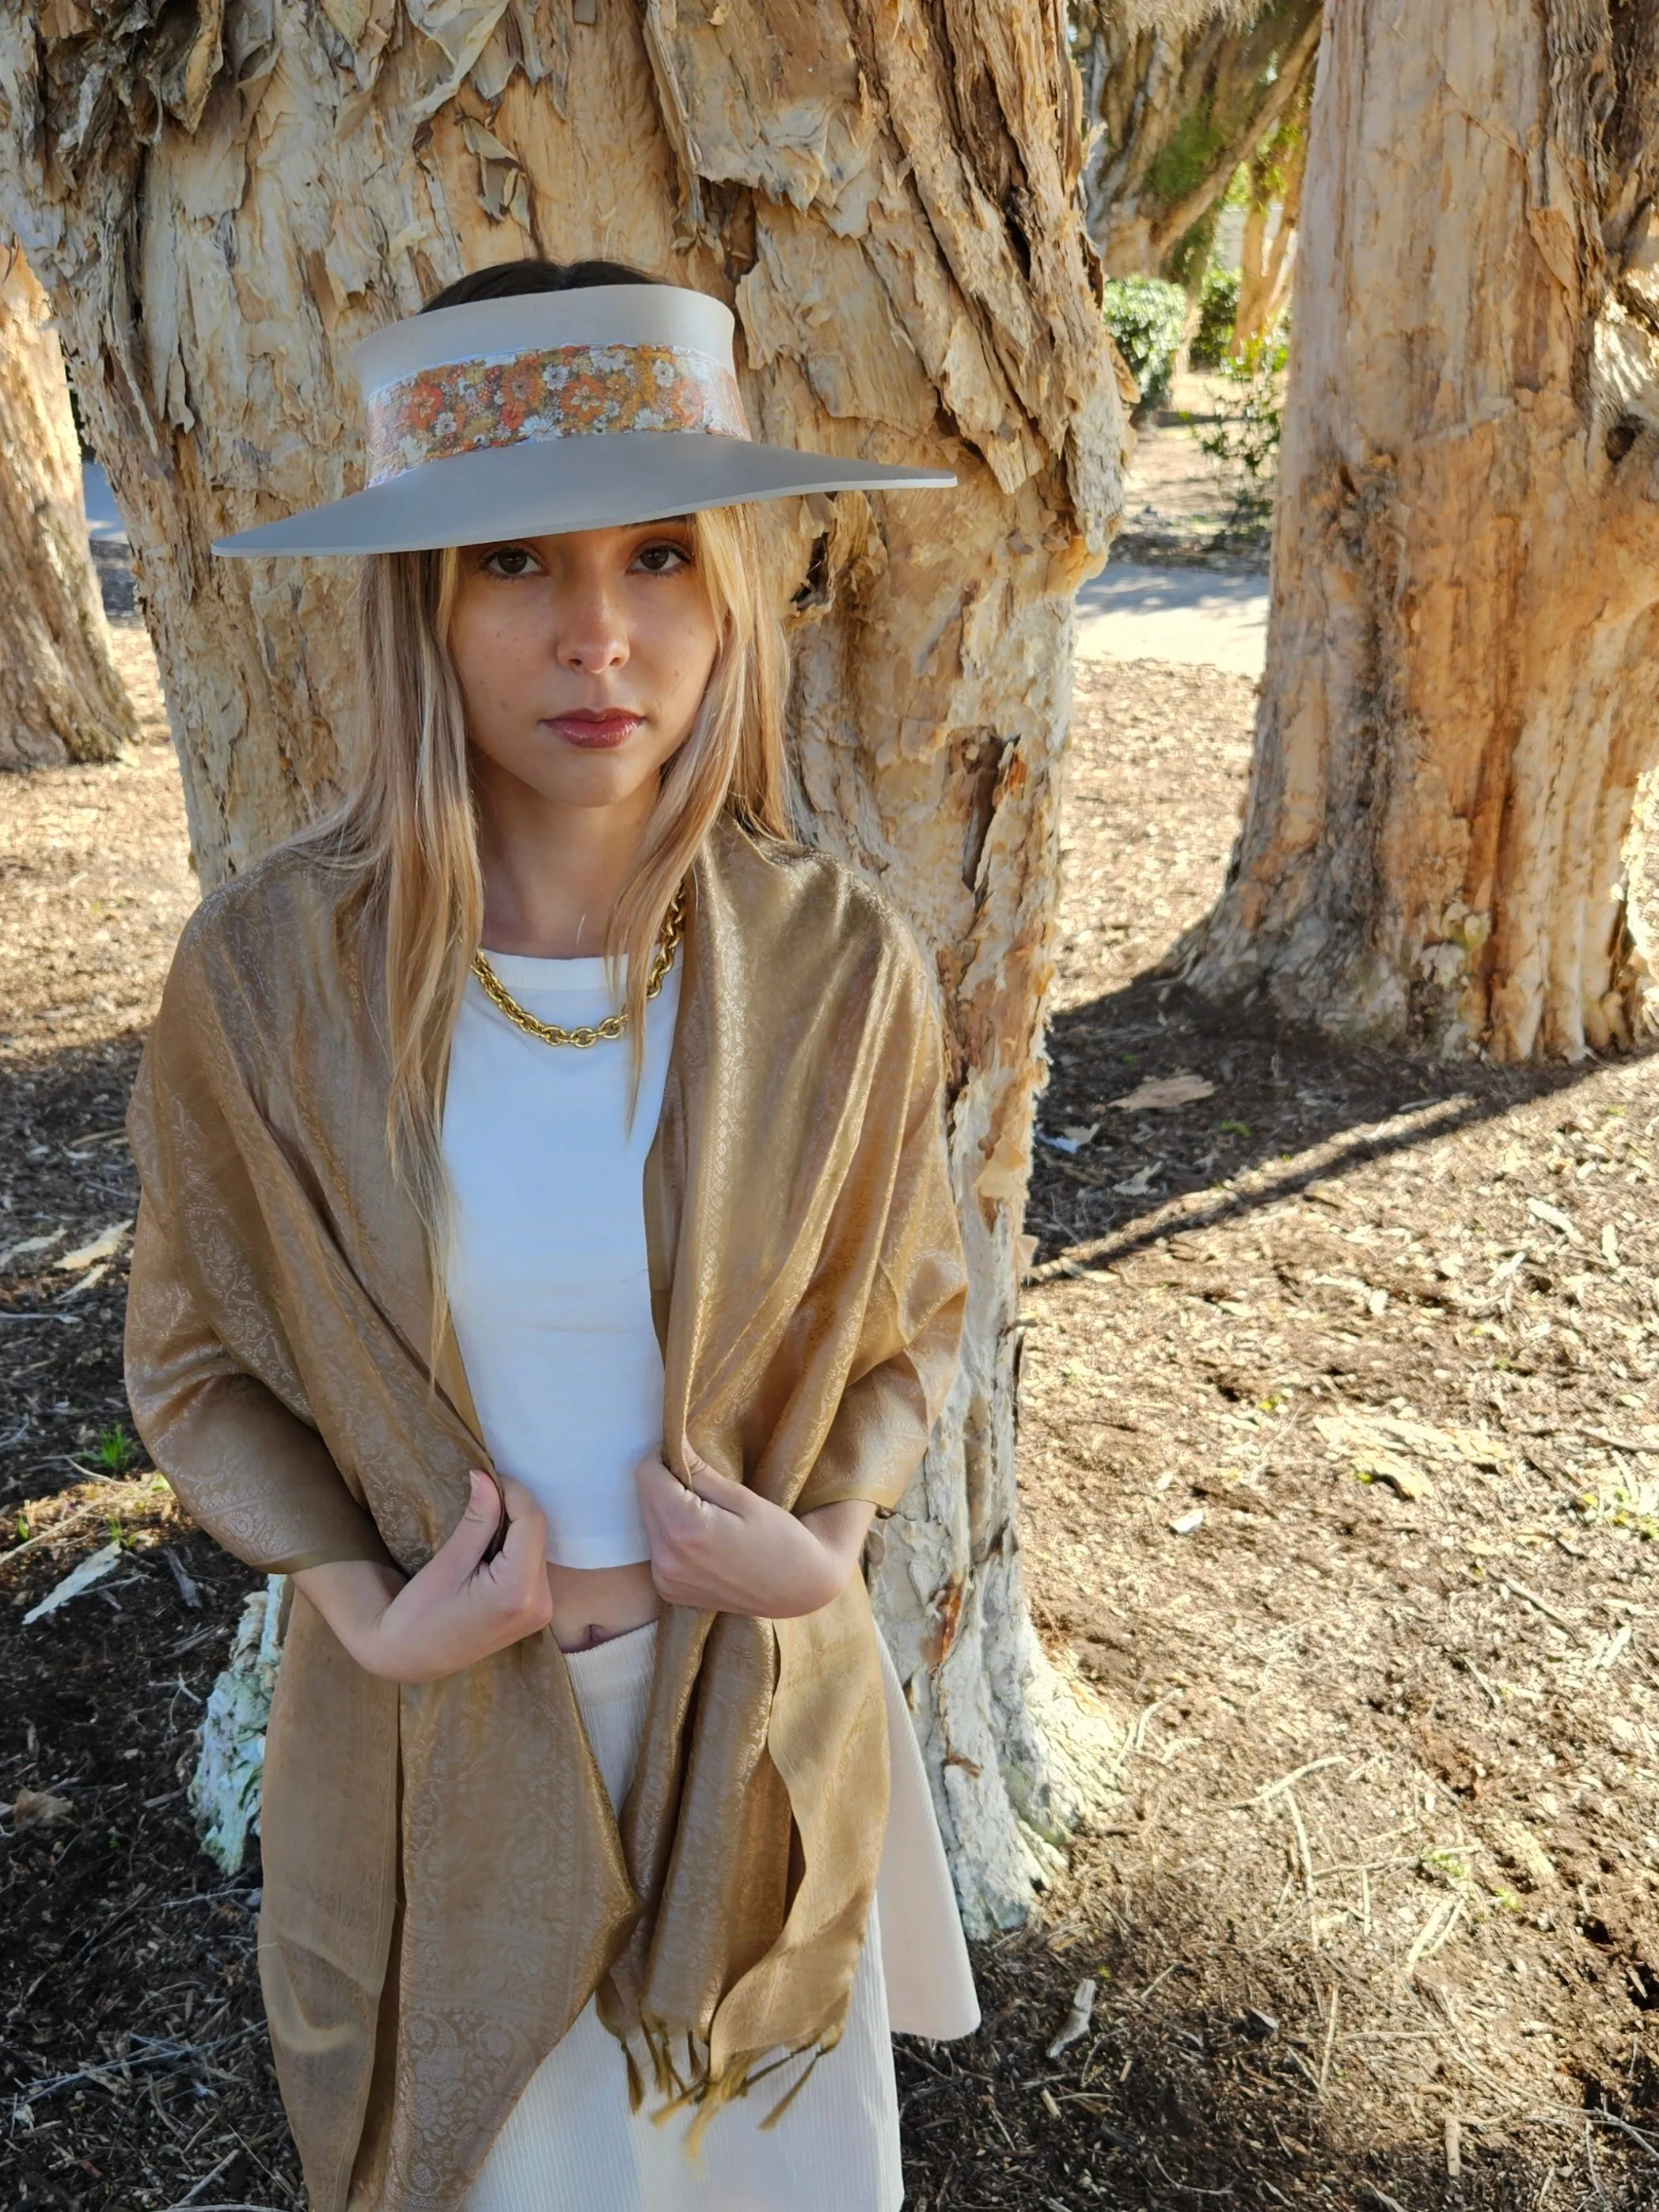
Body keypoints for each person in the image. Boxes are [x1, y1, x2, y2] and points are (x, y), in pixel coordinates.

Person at [123, 256, 980, 2212]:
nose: (601, 633)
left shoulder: (837, 967)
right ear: (421, 599)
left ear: (729, 587)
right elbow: (193, 1352)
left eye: (660, 555)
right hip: (447, 1748)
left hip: (738, 1735)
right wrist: (367, 1606)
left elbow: (911, 1318)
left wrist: (819, 1549)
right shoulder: (270, 987)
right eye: (515, 561)